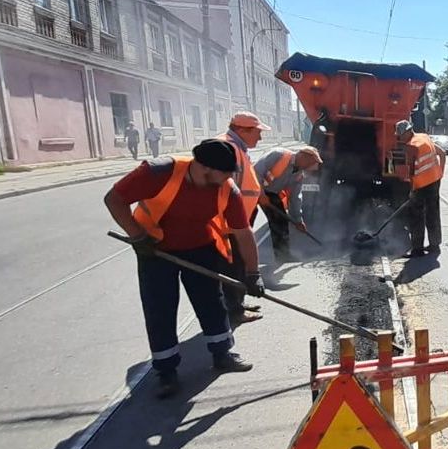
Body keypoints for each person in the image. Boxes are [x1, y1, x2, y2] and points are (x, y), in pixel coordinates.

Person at [103, 139, 264, 399]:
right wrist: (137, 236)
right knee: (160, 308)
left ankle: (222, 354)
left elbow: (243, 232)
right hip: (154, 249)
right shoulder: (157, 172)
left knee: (212, 302)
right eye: (224, 174)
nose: (228, 179)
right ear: (204, 168)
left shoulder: (227, 189)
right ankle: (166, 372)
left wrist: (253, 273)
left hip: (200, 247)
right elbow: (113, 199)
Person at [216, 111, 271, 325]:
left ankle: (237, 301)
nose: (260, 137)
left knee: (237, 265)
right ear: (242, 130)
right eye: (257, 132)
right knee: (231, 266)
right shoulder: (227, 147)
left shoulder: (238, 147)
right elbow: (225, 187)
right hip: (228, 224)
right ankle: (234, 311)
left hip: (237, 221)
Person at [253, 146, 323, 263]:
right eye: (310, 163)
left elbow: (295, 198)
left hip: (270, 192)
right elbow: (255, 172)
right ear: (303, 157)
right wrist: (260, 194)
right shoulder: (278, 155)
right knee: (244, 223)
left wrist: (298, 220)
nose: (309, 168)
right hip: (252, 189)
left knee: (280, 221)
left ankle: (282, 255)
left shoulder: (298, 174)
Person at [395, 120, 445, 258]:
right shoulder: (424, 137)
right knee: (433, 213)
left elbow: (411, 173)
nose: (400, 138)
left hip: (422, 185)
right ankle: (434, 246)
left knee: (416, 215)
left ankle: (417, 249)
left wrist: (412, 191)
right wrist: (441, 173)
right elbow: (442, 153)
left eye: (400, 135)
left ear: (407, 132)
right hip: (435, 181)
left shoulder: (411, 147)